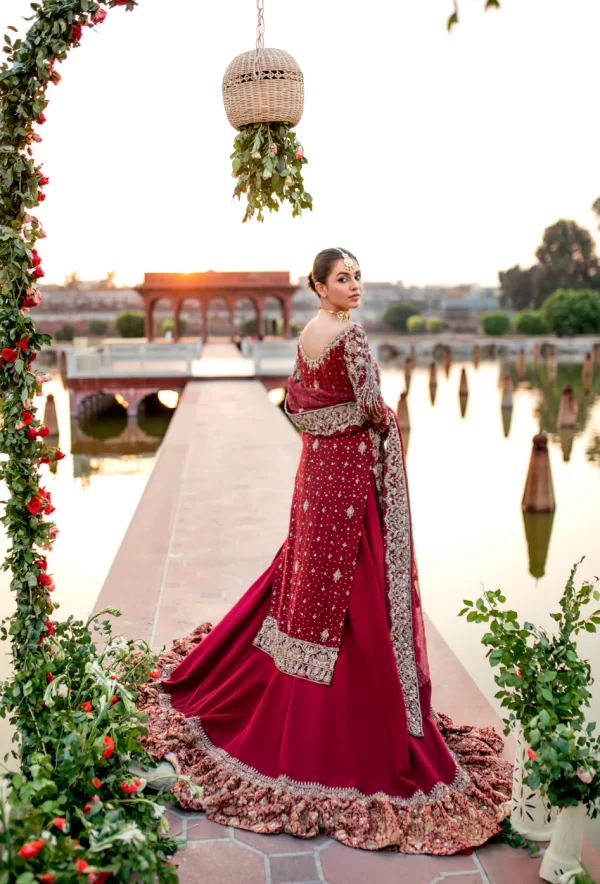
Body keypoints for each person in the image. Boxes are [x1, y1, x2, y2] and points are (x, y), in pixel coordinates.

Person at [137, 247, 511, 853]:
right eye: (344, 278)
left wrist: (335, 423)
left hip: (316, 473)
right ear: (319, 285)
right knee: (357, 585)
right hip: (350, 474)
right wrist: (381, 427)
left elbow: (296, 402)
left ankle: (302, 685)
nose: (355, 286)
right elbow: (369, 407)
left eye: (358, 276)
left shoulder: (309, 332)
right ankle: (363, 715)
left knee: (310, 578)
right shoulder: (353, 338)